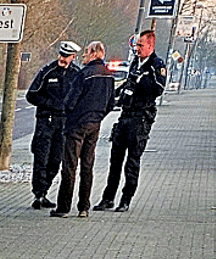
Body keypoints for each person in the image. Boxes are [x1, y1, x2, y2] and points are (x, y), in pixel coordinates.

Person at [94, 29, 167, 212]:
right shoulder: (135, 62)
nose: (138, 49)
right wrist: (113, 97)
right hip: (125, 116)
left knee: (132, 162)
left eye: (141, 46)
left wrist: (143, 81)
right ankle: (108, 198)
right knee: (115, 161)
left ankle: (126, 200)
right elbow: (129, 82)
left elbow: (158, 89)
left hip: (141, 118)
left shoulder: (156, 65)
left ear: (150, 46)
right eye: (137, 45)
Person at [51, 41, 115, 218]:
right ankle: (84, 207)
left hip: (76, 125)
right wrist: (98, 116)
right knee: (88, 166)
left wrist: (68, 113)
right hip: (94, 125)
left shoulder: (84, 75)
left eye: (86, 52)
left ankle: (63, 208)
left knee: (70, 166)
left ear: (94, 54)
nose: (84, 56)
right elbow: (111, 102)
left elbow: (70, 101)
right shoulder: (109, 76)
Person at [25, 40, 81, 209]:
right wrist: (49, 103)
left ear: (73, 57)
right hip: (46, 120)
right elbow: (32, 95)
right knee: (41, 158)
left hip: (64, 123)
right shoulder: (47, 72)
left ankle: (45, 190)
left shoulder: (77, 74)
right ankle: (39, 194)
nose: (62, 59)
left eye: (66, 56)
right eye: (61, 55)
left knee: (56, 160)